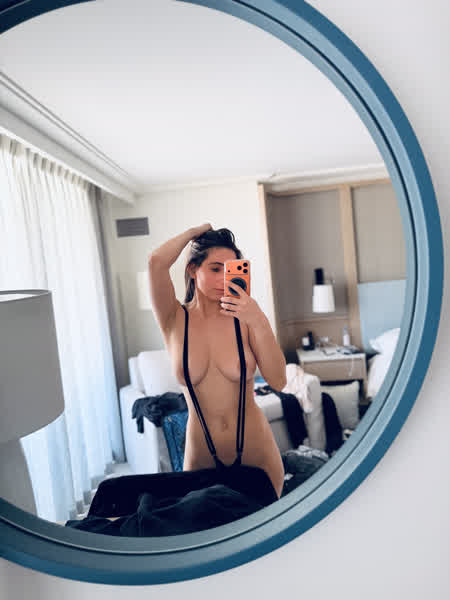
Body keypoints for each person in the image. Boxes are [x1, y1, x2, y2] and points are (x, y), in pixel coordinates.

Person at [148, 224, 287, 499]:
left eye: (230, 270)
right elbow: (156, 262)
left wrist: (258, 320)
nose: (224, 279)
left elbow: (279, 381)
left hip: (257, 454)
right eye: (215, 269)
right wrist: (196, 232)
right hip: (201, 457)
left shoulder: (245, 319)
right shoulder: (173, 319)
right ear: (192, 269)